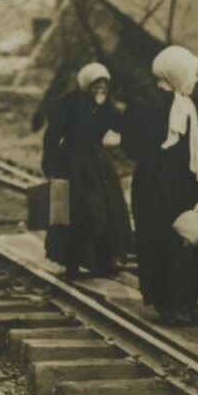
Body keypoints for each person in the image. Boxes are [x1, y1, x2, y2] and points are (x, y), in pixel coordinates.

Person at [122, 45, 198, 325]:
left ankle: (182, 299)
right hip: (157, 184)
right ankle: (168, 303)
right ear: (177, 73)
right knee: (163, 239)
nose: (195, 79)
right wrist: (159, 160)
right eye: (191, 73)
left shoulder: (186, 104)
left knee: (180, 239)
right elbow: (131, 144)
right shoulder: (146, 102)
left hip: (174, 182)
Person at [30, 62, 131, 278]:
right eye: (96, 86)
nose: (100, 90)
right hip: (73, 163)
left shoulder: (106, 106)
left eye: (103, 86)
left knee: (113, 210)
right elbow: (52, 137)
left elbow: (121, 125)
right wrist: (49, 163)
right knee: (84, 214)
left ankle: (107, 259)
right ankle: (73, 261)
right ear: (86, 84)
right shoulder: (66, 104)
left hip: (98, 163)